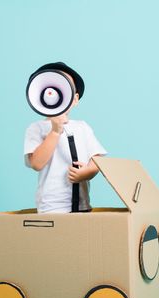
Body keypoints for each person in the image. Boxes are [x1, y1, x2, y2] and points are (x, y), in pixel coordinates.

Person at [24, 62, 107, 213]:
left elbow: (98, 158)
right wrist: (55, 132)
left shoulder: (82, 127)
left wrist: (88, 172)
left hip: (82, 205)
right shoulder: (36, 128)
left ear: (74, 99)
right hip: (52, 207)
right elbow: (36, 163)